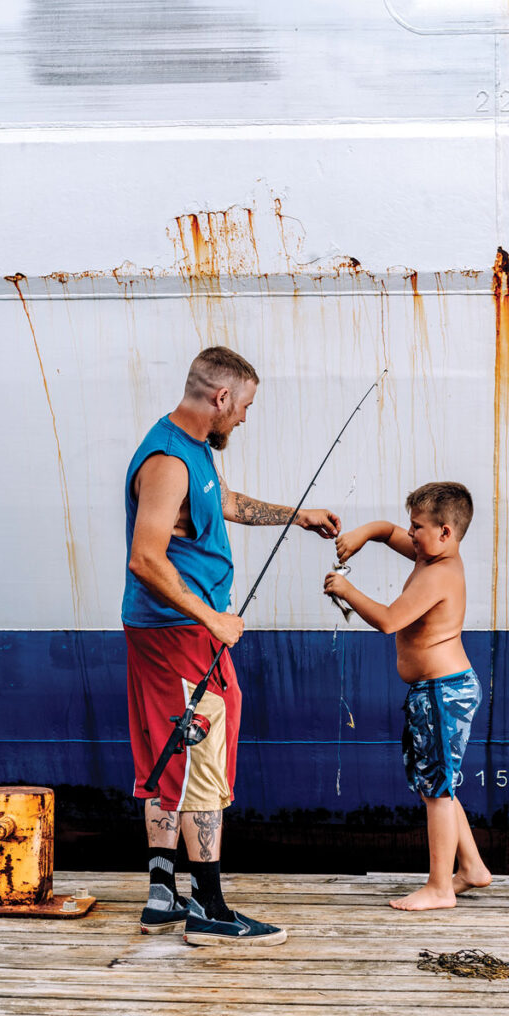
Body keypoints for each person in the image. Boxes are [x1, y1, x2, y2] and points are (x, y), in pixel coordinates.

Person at [122, 345, 340, 945]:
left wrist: (295, 515)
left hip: (166, 633)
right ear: (221, 398)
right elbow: (145, 558)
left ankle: (163, 896)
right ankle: (210, 911)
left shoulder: (192, 452)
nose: (244, 417)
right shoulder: (168, 462)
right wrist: (211, 618)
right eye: (243, 406)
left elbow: (226, 505)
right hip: (181, 635)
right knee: (200, 758)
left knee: (167, 756)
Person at [323, 482, 491, 911]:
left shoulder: (438, 574)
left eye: (417, 526)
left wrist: (346, 590)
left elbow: (389, 620)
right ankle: (471, 867)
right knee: (437, 784)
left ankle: (439, 887)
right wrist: (364, 534)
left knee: (436, 790)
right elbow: (390, 533)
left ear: (446, 532)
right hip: (433, 690)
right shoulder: (429, 553)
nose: (410, 533)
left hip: (443, 692)